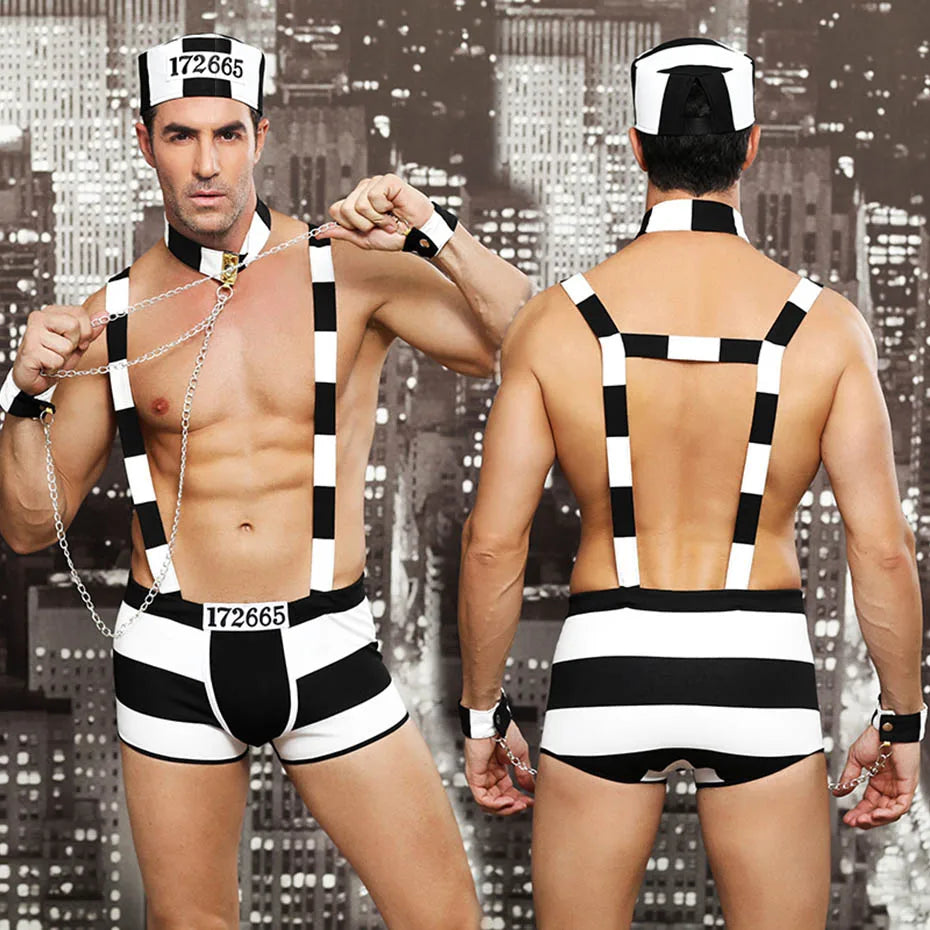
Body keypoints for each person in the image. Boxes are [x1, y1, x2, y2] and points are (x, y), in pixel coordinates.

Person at [0, 32, 531, 929]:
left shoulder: (346, 269)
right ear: (145, 143)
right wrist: (20, 394)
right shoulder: (112, 315)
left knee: (443, 916)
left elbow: (533, 344)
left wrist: (433, 231)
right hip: (170, 654)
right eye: (181, 136)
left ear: (261, 137)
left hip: (324, 641)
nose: (207, 165)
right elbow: (25, 525)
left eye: (228, 134)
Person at [456, 36, 926, 929]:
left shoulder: (555, 324)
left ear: (637, 147)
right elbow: (882, 550)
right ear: (751, 147)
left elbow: (491, 544)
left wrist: (483, 717)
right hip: (760, 665)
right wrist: (902, 721)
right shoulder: (826, 328)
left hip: (608, 658)